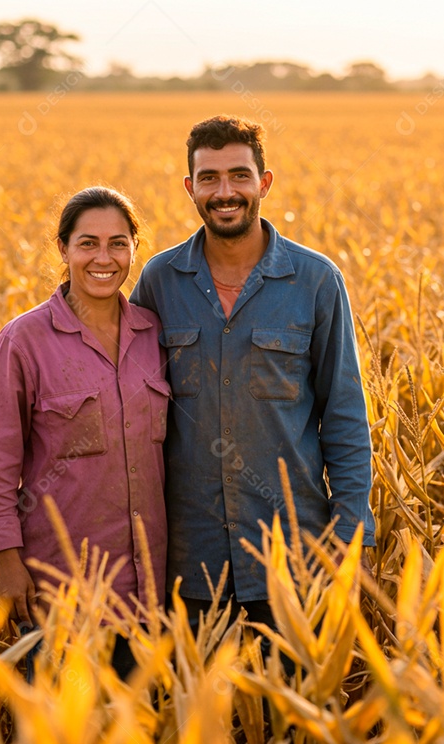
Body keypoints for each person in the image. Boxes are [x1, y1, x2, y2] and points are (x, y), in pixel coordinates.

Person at [129, 115, 375, 636]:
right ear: (190, 187)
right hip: (188, 561)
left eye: (239, 176)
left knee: (293, 713)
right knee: (196, 715)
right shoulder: (159, 280)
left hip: (294, 558)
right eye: (210, 178)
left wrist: (352, 537)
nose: (225, 192)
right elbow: (126, 401)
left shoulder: (315, 280)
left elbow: (345, 417)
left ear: (264, 182)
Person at [0, 186, 169, 679]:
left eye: (118, 244)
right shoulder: (24, 340)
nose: (103, 258)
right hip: (60, 589)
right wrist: (7, 564)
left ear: (134, 249)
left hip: (148, 590)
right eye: (88, 244)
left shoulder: (153, 333)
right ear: (63, 249)